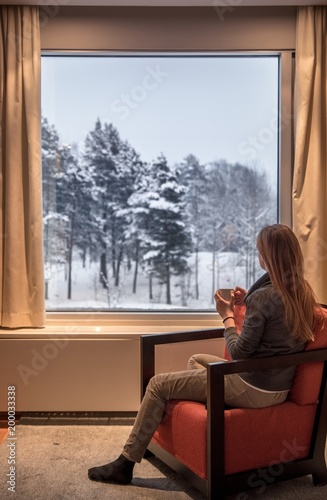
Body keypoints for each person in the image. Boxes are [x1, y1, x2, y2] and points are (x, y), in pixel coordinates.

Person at [88, 223, 322, 486]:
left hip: (252, 387)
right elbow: (274, 323)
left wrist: (228, 317)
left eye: (260, 252)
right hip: (277, 387)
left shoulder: (266, 298)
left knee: (157, 385)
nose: (258, 256)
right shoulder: (302, 291)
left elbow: (239, 352)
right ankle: (216, 406)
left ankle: (125, 463)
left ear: (268, 257)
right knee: (197, 360)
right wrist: (248, 300)